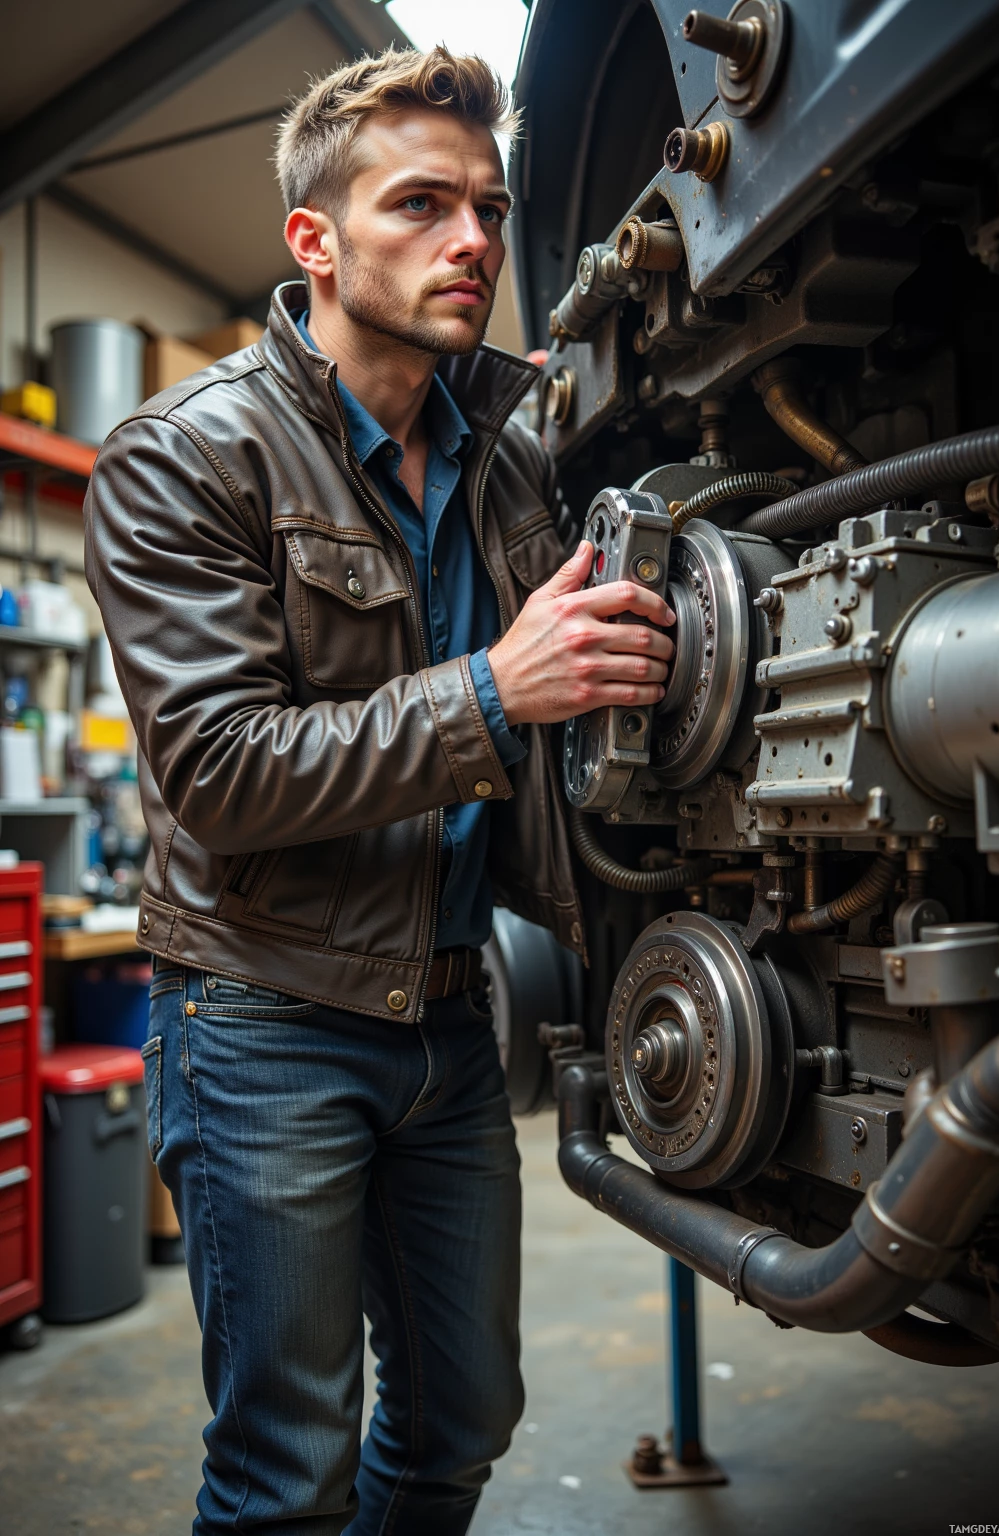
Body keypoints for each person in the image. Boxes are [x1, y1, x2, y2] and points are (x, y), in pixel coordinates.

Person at [84, 45, 676, 1536]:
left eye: (487, 205)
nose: (473, 239)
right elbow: (217, 771)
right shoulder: (185, 455)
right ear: (316, 241)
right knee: (289, 1471)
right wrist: (497, 688)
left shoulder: (507, 449)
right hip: (265, 1015)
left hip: (449, 1014)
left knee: (464, 1421)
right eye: (420, 203)